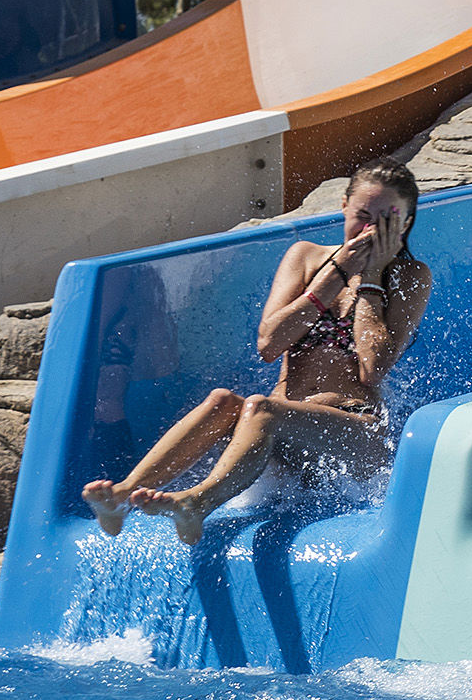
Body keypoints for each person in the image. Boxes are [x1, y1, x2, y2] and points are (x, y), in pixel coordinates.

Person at [83, 161, 435, 544]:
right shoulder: (305, 257)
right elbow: (269, 344)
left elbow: (373, 369)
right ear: (344, 207)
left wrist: (369, 279)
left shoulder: (410, 276)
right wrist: (337, 273)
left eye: (384, 221)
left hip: (352, 438)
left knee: (262, 409)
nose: (369, 230)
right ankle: (123, 496)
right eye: (362, 216)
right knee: (223, 402)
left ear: (405, 224)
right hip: (280, 432)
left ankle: (197, 503)